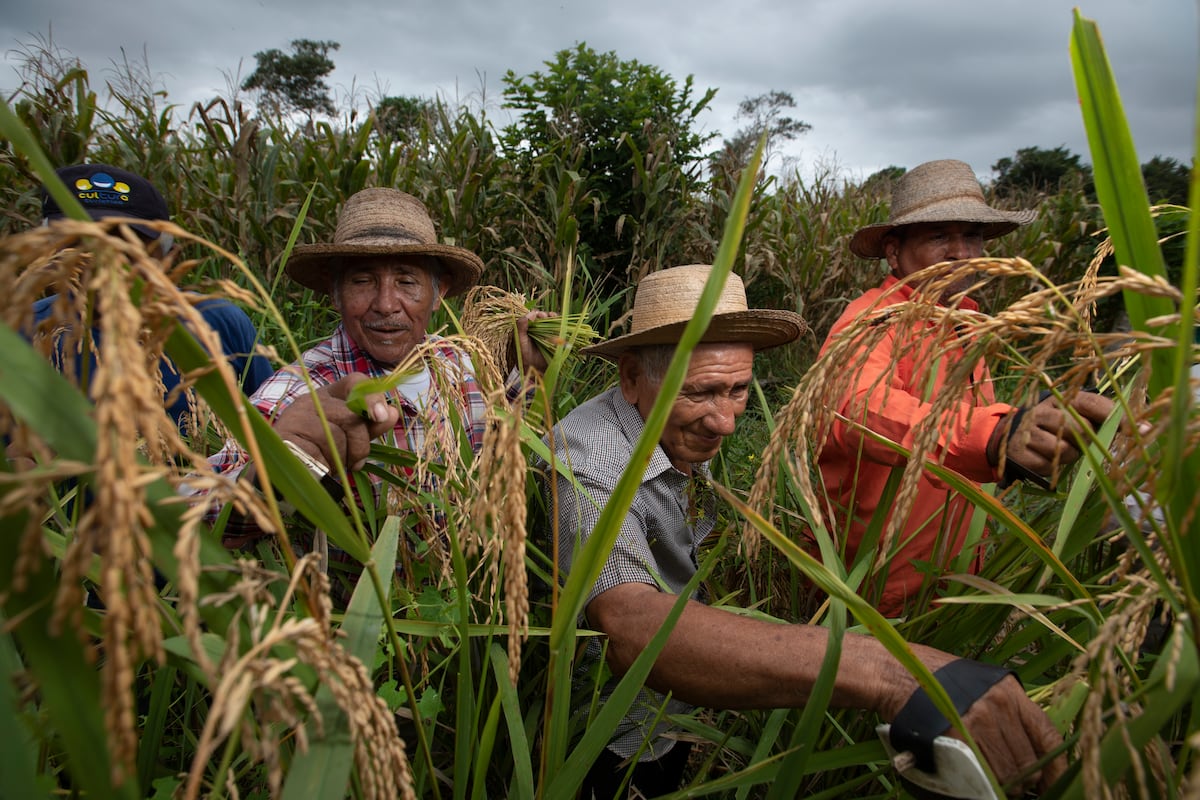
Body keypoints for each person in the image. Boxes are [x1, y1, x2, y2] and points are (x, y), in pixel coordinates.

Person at [541, 263, 1065, 798]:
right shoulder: (589, 460)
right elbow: (632, 625)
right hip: (598, 730)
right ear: (631, 377)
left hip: (676, 708)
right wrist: (892, 672)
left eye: (739, 390)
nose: (725, 422)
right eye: (699, 393)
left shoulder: (675, 426)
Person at [817, 159, 1114, 616]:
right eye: (939, 236)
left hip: (949, 573)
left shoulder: (966, 322)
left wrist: (1033, 429)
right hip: (876, 586)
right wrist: (994, 438)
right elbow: (857, 408)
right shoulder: (874, 319)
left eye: (972, 235)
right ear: (894, 253)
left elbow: (971, 416)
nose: (962, 252)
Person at [209, 187, 548, 556]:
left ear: (438, 294)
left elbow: (496, 453)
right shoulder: (303, 389)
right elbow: (189, 510)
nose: (386, 305)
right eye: (362, 281)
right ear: (335, 293)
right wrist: (269, 472)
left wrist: (526, 376)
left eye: (406, 281)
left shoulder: (461, 364)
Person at [30, 163, 274, 432]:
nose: (101, 265)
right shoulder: (19, 334)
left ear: (168, 257)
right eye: (79, 247)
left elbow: (270, 429)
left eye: (127, 249)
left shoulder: (218, 323)